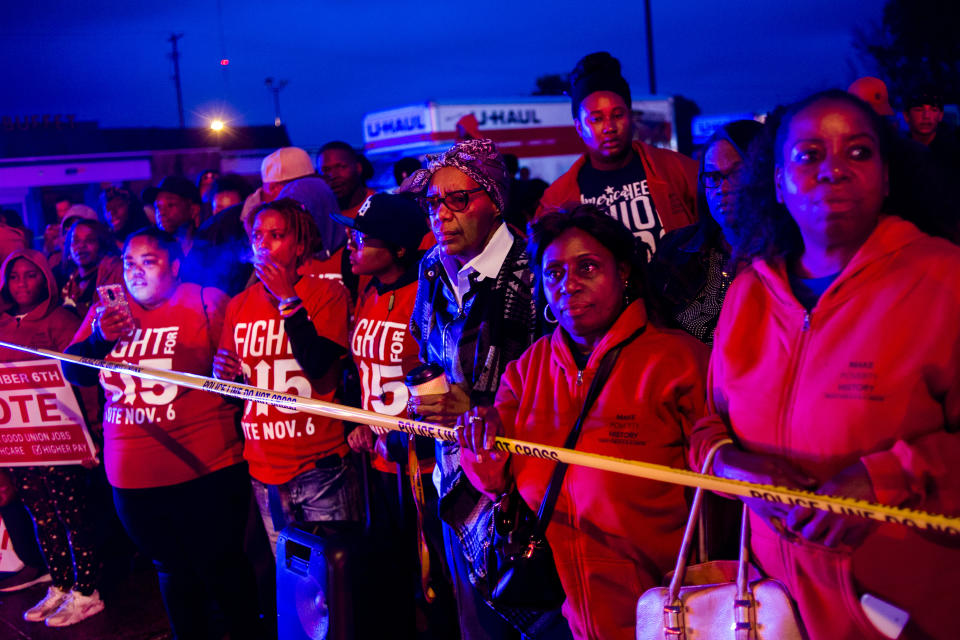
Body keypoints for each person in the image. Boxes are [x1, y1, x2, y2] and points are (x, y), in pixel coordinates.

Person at [690, 90, 960, 640]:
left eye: (858, 153)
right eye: (809, 155)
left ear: (887, 176)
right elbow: (705, 428)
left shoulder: (945, 281)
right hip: (776, 612)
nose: (833, 171)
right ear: (779, 183)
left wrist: (881, 478)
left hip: (909, 615)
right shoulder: (748, 294)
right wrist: (730, 466)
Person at [458, 205, 707, 640]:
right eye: (553, 273)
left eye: (587, 267)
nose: (568, 285)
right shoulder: (526, 370)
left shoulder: (680, 361)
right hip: (564, 618)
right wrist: (479, 445)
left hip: (668, 617)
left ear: (624, 272)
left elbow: (721, 494)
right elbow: (496, 484)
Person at [63, 228, 262, 639]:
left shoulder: (204, 300)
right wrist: (101, 338)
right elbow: (73, 370)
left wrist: (234, 370)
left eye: (148, 262)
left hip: (206, 468)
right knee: (170, 569)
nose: (134, 272)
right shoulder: (107, 310)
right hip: (133, 478)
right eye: (129, 263)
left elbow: (242, 365)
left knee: (221, 565)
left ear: (173, 266)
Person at [402, 139, 565, 639]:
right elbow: (425, 351)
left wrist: (481, 407)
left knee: (537, 618)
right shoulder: (432, 268)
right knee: (476, 626)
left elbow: (560, 383)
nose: (441, 214)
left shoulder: (533, 271)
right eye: (433, 202)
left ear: (493, 200)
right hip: (455, 477)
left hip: (523, 486)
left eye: (458, 199)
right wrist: (427, 396)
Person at [332, 193, 456, 638]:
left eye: (364, 239)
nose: (351, 243)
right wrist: (361, 423)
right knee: (392, 570)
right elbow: (365, 373)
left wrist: (405, 435)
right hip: (380, 461)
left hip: (420, 464)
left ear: (400, 249)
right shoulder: (366, 289)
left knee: (433, 576)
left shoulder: (423, 295)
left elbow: (435, 378)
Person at [214, 198, 361, 553]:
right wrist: (225, 376)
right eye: (258, 235)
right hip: (264, 467)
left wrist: (287, 298)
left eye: (276, 235)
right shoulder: (238, 304)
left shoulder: (327, 294)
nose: (263, 244)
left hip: (320, 466)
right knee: (292, 583)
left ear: (299, 247)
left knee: (334, 583)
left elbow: (319, 367)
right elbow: (235, 392)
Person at [0, 249, 103, 627]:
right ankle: (60, 584)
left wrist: (92, 432)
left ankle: (87, 590)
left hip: (63, 439)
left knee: (74, 516)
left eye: (30, 275)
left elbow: (83, 379)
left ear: (45, 278)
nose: (22, 283)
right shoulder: (3, 325)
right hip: (22, 444)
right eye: (14, 277)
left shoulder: (62, 321)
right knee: (42, 517)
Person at [537, 52, 698, 259]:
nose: (609, 127)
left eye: (617, 115)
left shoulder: (676, 170)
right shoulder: (558, 199)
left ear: (630, 117)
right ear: (579, 127)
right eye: (596, 119)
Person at [650, 120, 763, 344]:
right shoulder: (676, 251)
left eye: (737, 174)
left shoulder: (800, 255)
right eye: (713, 177)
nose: (722, 189)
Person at [59, 219, 123, 319]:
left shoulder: (113, 274)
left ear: (102, 244)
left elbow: (117, 319)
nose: (81, 246)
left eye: (89, 240)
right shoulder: (68, 280)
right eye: (75, 241)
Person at [319, 141, 376, 218]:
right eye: (326, 170)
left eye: (341, 167)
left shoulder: (381, 206)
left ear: (358, 168)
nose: (333, 175)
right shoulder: (320, 215)